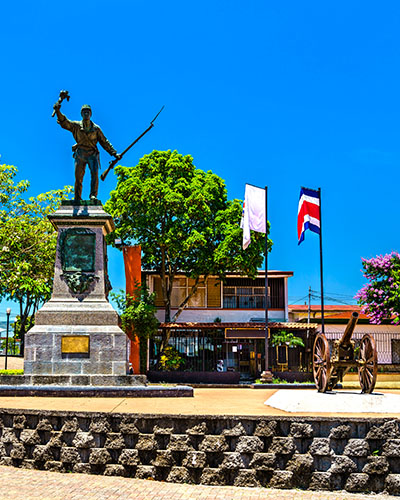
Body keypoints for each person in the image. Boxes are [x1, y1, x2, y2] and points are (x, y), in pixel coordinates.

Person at [54, 103, 121, 201]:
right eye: (84, 112)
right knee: (78, 177)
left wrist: (114, 153)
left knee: (94, 174)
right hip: (80, 154)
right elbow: (65, 123)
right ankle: (77, 197)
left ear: (90, 114)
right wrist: (58, 111)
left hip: (92, 154)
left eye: (88, 112)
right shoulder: (76, 126)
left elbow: (104, 141)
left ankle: (93, 195)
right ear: (81, 114)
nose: (86, 113)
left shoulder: (96, 128)